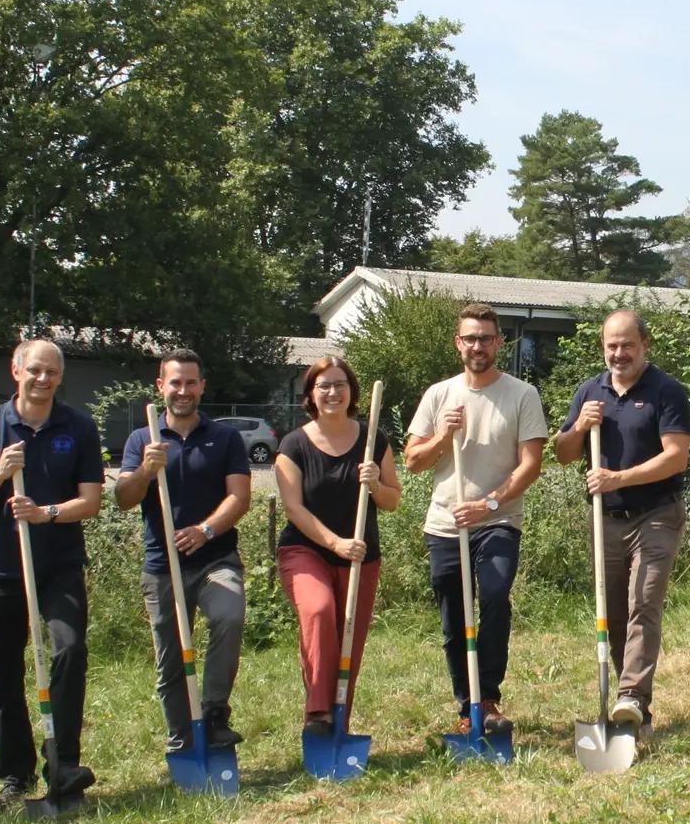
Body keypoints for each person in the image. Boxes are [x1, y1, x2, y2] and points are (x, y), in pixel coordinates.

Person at [0, 339, 105, 813]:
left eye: (52, 373)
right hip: (2, 567)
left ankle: (63, 765)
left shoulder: (78, 427)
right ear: (16, 371)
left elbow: (91, 501)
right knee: (6, 669)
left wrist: (46, 512)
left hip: (59, 564)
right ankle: (14, 775)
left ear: (60, 377)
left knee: (69, 649)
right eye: (35, 371)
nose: (43, 380)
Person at [403, 304, 547, 738]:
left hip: (497, 520)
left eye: (486, 338)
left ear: (498, 343)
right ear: (458, 343)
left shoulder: (522, 395)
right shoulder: (438, 395)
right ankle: (467, 705)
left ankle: (488, 696)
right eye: (470, 338)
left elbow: (531, 465)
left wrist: (488, 503)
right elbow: (412, 461)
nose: (478, 345)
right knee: (453, 619)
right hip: (446, 525)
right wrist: (443, 435)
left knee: (496, 596)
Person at [553, 309, 690, 731]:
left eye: (627, 345)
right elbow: (562, 454)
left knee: (643, 604)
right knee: (612, 613)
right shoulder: (589, 390)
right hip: (606, 518)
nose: (619, 353)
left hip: (656, 515)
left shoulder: (666, 390)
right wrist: (579, 426)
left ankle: (632, 694)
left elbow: (676, 456)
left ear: (644, 345)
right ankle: (633, 708)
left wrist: (619, 477)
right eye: (611, 345)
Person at [114, 349, 251, 751]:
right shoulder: (143, 439)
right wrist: (145, 470)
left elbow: (239, 498)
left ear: (202, 386)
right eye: (175, 382)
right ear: (161, 386)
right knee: (171, 656)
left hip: (216, 560)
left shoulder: (224, 437)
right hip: (162, 565)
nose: (183, 390)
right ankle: (181, 738)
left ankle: (212, 714)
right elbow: (123, 498)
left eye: (191, 382)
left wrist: (206, 530)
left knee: (230, 615)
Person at [276, 356, 402, 737]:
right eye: (324, 385)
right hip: (306, 550)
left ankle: (339, 720)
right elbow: (293, 508)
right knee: (318, 612)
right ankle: (318, 713)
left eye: (340, 385)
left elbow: (393, 500)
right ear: (311, 395)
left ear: (352, 392)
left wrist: (376, 483)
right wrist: (335, 543)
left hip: (361, 556)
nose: (332, 392)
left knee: (350, 637)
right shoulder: (294, 444)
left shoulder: (373, 439)